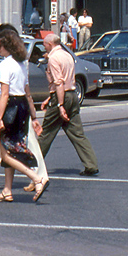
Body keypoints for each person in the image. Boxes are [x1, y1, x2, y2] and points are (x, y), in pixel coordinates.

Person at [0, 28, 48, 202]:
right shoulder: (22, 63)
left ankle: (37, 178)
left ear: (7, 46)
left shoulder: (5, 64)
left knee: (5, 153)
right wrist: (34, 117)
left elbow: (5, 94)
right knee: (12, 146)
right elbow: (27, 93)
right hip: (22, 106)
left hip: (11, 108)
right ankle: (7, 190)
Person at [38, 32, 99, 177]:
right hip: (72, 95)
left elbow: (58, 83)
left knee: (46, 133)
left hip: (62, 96)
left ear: (50, 44)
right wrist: (51, 97)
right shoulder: (68, 55)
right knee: (77, 134)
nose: (44, 48)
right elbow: (66, 79)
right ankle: (91, 164)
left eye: (45, 45)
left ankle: (32, 165)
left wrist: (59, 105)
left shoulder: (53, 58)